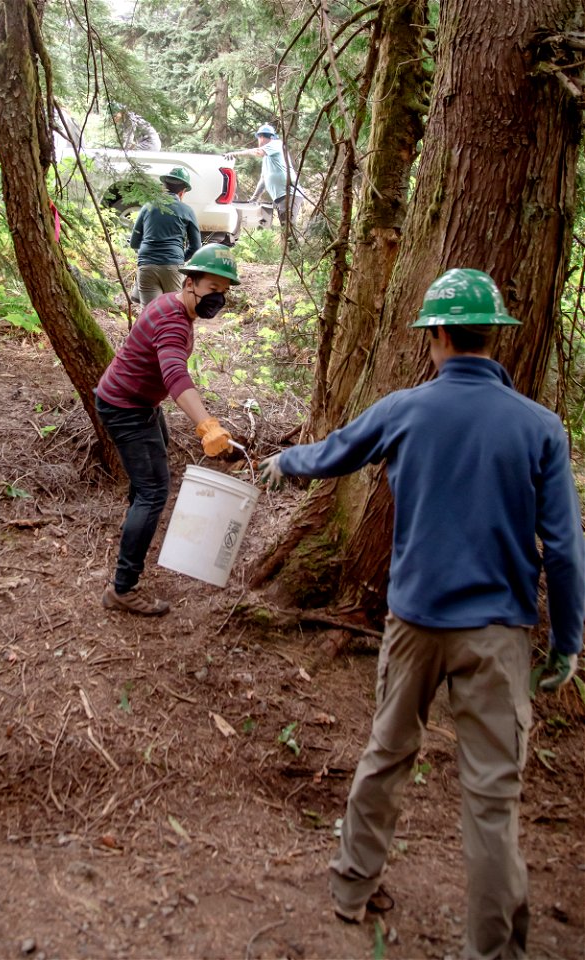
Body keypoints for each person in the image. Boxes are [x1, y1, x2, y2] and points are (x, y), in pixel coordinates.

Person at [259, 269, 584, 959]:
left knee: (386, 753)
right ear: (495, 336)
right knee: (493, 799)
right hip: (500, 633)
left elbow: (333, 454)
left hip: (413, 624)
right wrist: (568, 642)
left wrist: (284, 462)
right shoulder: (540, 427)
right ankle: (491, 948)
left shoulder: (405, 408)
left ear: (434, 334)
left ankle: (351, 888)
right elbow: (564, 548)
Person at [95, 243, 240, 616]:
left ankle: (133, 537)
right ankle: (123, 589)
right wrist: (206, 425)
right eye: (213, 290)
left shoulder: (171, 304)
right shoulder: (173, 320)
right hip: (126, 407)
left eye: (224, 292)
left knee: (150, 483)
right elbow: (175, 374)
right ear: (190, 283)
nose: (218, 299)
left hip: (136, 402)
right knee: (154, 491)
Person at [129, 166, 201, 308]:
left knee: (150, 314)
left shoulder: (147, 206)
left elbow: (134, 243)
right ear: (183, 191)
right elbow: (196, 247)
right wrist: (179, 257)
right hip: (173, 266)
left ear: (164, 187)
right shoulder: (187, 211)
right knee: (173, 313)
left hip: (146, 266)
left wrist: (148, 252)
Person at [225, 123, 304, 234]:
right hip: (281, 197)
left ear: (270, 137)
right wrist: (254, 199)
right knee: (286, 229)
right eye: (260, 137)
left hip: (290, 194)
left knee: (288, 229)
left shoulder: (276, 144)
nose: (260, 140)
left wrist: (235, 154)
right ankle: (290, 251)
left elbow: (257, 151)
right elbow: (263, 180)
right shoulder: (267, 159)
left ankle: (294, 251)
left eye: (263, 137)